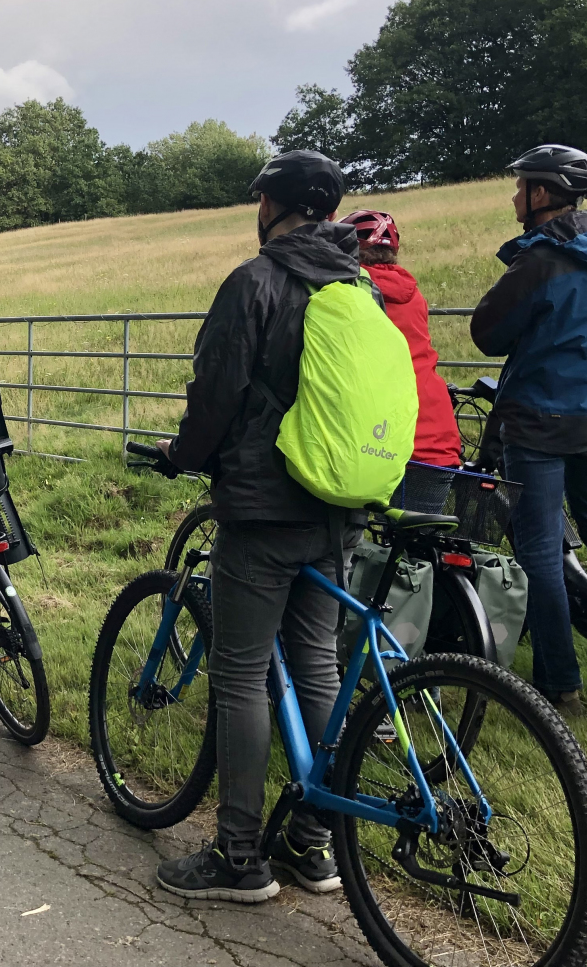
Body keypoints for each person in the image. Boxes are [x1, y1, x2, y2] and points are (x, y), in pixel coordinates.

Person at [153, 150, 357, 904]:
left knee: (239, 675)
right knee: (318, 667)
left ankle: (239, 858)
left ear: (272, 205)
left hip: (264, 507)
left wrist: (183, 453)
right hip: (338, 506)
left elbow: (216, 392)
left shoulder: (256, 281)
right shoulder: (353, 281)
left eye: (259, 199)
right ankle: (314, 844)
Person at [470, 145, 587, 718]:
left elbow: (487, 333)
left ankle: (558, 682)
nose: (514, 196)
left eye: (521, 187)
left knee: (539, 547)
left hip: (541, 418)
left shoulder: (541, 259)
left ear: (542, 195)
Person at [342, 211, 463, 513]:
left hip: (380, 440)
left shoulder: (350, 293)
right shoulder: (413, 294)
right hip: (435, 437)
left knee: (354, 541)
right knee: (420, 549)